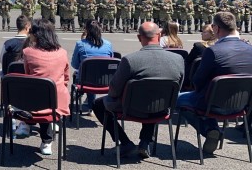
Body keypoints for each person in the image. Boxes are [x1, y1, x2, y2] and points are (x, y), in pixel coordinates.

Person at [92, 22, 184, 159]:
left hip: (131, 108)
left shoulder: (130, 60)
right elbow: (177, 89)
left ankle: (125, 142)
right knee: (156, 95)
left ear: (139, 37)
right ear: (159, 36)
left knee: (98, 104)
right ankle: (145, 141)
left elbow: (114, 91)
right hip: (162, 108)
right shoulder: (178, 59)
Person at [177, 11, 252, 154]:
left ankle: (210, 129)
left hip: (212, 105)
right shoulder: (250, 49)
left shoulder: (213, 51)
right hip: (242, 107)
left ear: (216, 28)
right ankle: (212, 129)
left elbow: (197, 81)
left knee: (176, 99)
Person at [20, 19, 70, 155]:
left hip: (35, 101)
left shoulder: (28, 52)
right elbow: (66, 78)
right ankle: (46, 141)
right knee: (47, 97)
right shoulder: (62, 52)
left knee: (34, 94)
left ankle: (25, 125)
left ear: (36, 35)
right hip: (57, 101)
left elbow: (28, 75)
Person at [71, 20, 114, 110]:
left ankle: (85, 100)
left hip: (85, 81)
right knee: (94, 72)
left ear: (86, 30)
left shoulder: (81, 44)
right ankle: (91, 104)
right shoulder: (108, 44)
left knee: (83, 73)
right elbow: (110, 62)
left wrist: (82, 40)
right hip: (105, 81)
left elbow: (74, 65)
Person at [183, 24, 217, 89]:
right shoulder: (220, 46)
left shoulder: (198, 46)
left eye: (204, 32)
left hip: (196, 82)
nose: (201, 34)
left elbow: (187, 61)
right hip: (213, 82)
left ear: (212, 34)